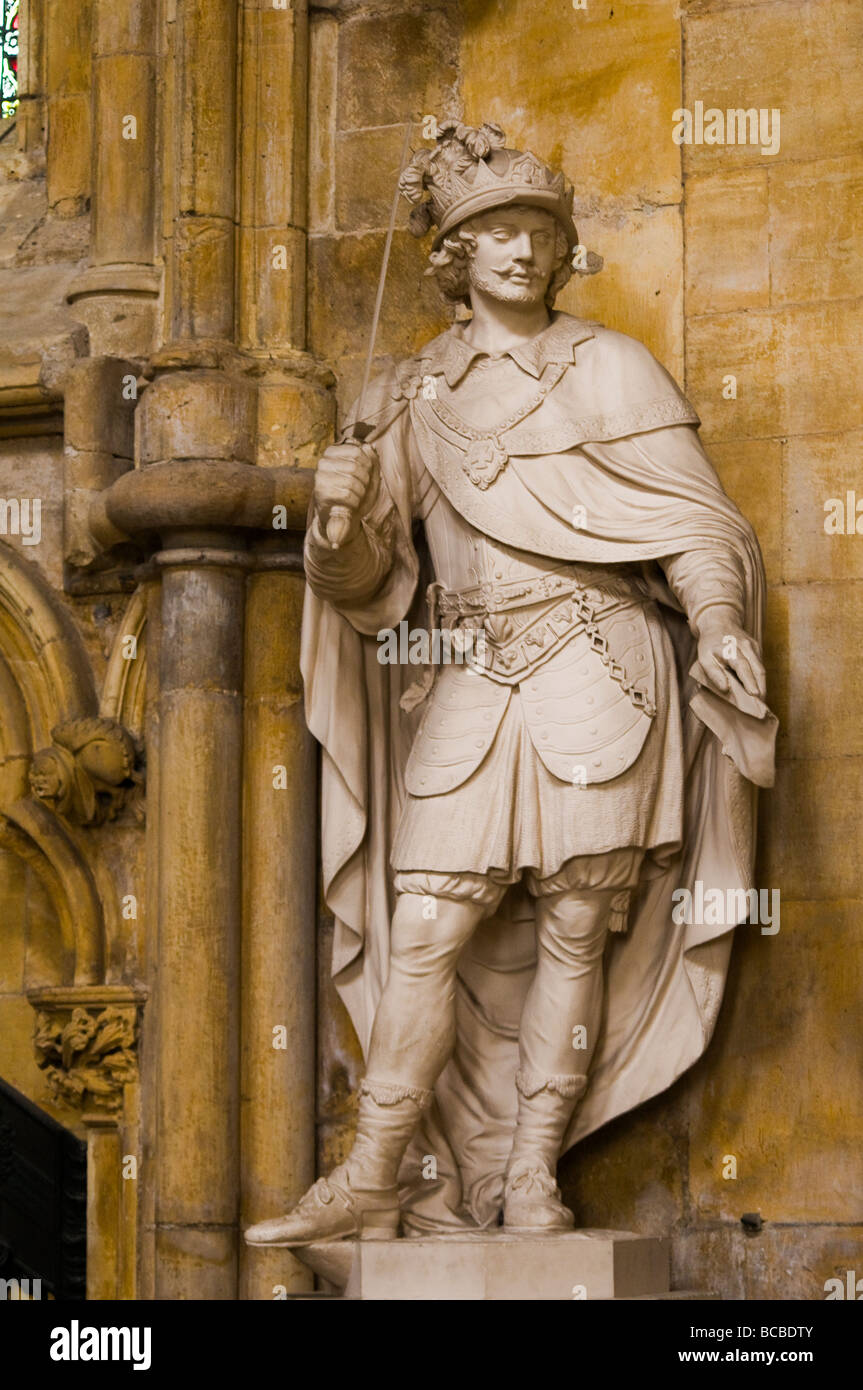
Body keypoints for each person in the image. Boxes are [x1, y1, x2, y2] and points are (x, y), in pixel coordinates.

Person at [245, 119, 776, 1248]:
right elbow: (373, 585)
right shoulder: (406, 394)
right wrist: (333, 518)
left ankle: (532, 1172)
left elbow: (693, 524)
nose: (523, 249)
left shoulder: (613, 367)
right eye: (495, 232)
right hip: (469, 677)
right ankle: (376, 1166)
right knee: (426, 920)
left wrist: (720, 620)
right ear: (453, 256)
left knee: (576, 928)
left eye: (538, 229)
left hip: (601, 666)